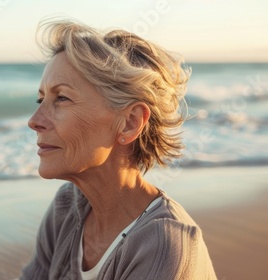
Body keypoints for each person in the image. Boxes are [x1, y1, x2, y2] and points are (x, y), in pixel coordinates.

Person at [20, 19, 217, 280]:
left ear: (130, 123)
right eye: (41, 99)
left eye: (62, 98)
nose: (34, 120)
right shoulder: (67, 207)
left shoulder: (165, 246)